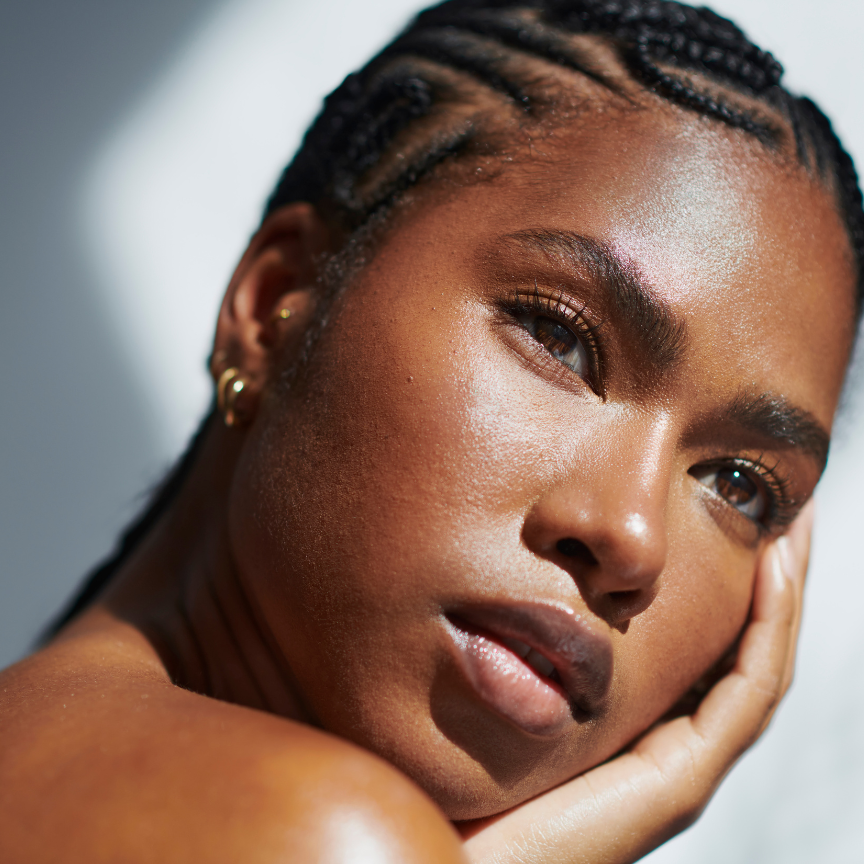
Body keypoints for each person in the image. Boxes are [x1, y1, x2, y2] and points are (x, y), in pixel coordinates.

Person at [1, 0, 861, 860]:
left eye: (741, 484)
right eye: (560, 338)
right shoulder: (324, 834)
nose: (633, 539)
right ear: (275, 308)